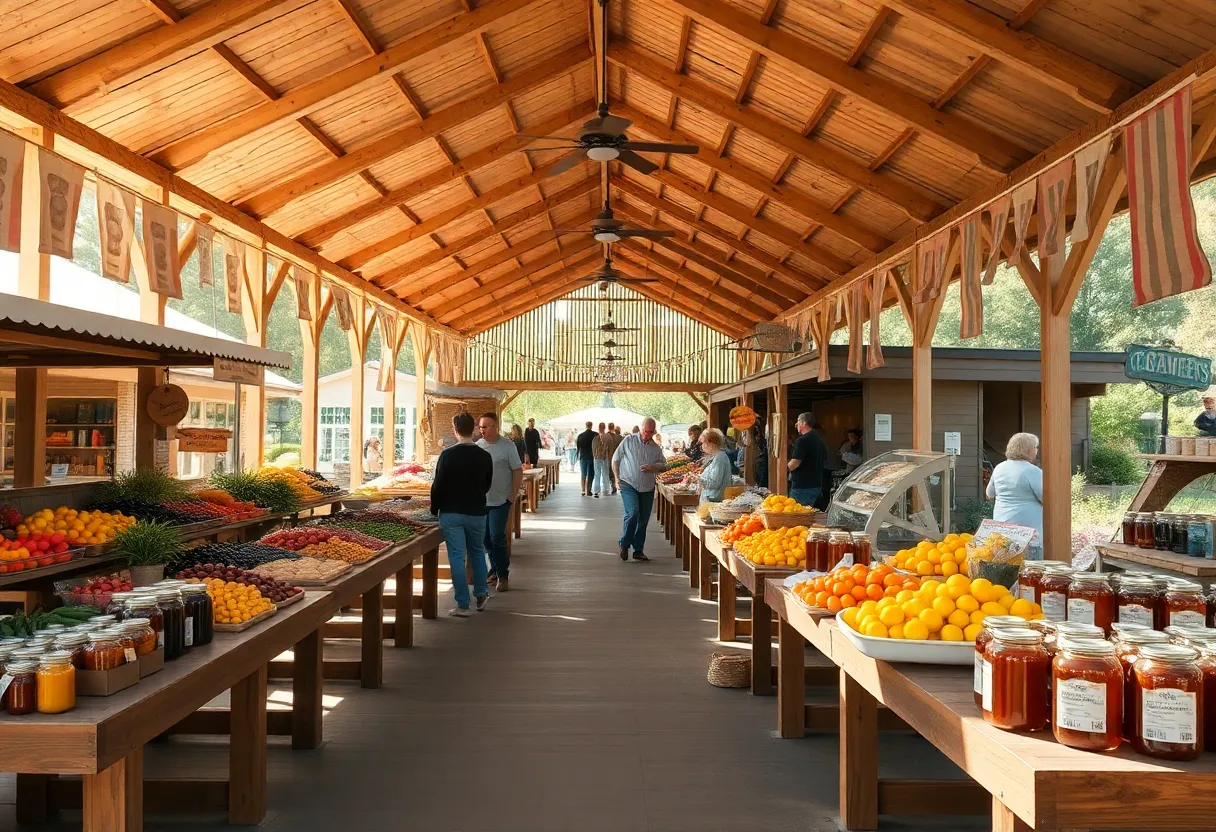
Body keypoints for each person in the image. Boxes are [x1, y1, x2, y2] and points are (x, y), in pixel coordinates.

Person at [429, 412, 493, 616]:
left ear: (455, 430)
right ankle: (481, 595)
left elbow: (437, 485)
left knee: (456, 557)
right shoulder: (485, 456)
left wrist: (434, 509)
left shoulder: (447, 455)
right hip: (476, 511)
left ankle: (462, 604)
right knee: (477, 553)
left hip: (451, 512)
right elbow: (487, 484)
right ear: (474, 429)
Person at [476, 412, 522, 592]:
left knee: (497, 536)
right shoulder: (478, 447)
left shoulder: (507, 446)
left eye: (486, 426)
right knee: (485, 539)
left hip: (501, 500)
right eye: (480, 427)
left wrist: (514, 492)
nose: (482, 430)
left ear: (496, 427)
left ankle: (503, 574)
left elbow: (517, 470)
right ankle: (494, 569)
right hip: (482, 501)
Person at [611, 417, 666, 562]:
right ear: (641, 428)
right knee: (633, 512)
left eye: (650, 432)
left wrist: (653, 468)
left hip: (647, 486)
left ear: (654, 431)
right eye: (645, 431)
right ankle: (624, 543)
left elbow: (664, 465)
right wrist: (616, 478)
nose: (647, 434)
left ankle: (638, 550)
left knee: (643, 519)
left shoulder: (655, 448)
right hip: (628, 483)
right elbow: (615, 459)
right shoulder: (629, 441)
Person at [986, 432, 1044, 559]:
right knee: (1030, 573)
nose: (1036, 451)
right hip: (1028, 534)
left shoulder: (999, 468)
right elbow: (1047, 498)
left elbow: (989, 493)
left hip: (1003, 532)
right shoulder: (1033, 471)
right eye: (1035, 447)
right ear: (1028, 450)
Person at [787, 412, 827, 506]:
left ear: (803, 423)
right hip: (816, 485)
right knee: (808, 515)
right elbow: (824, 457)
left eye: (797, 422)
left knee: (796, 516)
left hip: (802, 486)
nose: (796, 425)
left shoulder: (802, 440)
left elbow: (794, 464)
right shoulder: (819, 440)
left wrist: (784, 466)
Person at [697, 428, 732, 504]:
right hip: (710, 501)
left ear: (712, 443)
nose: (702, 446)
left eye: (703, 443)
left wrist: (697, 479)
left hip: (714, 502)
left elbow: (715, 483)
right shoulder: (715, 456)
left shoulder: (720, 457)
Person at [591, 422, 613, 497]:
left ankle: (598, 490)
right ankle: (604, 490)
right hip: (603, 458)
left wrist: (595, 456)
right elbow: (611, 449)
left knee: (599, 474)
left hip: (600, 458)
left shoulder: (596, 437)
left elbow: (593, 449)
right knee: (604, 474)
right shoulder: (607, 437)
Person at [576, 421, 597, 496]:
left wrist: (578, 455)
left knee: (583, 473)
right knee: (590, 474)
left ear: (586, 425)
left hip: (583, 456)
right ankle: (588, 490)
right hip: (592, 457)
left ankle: (583, 490)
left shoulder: (580, 435)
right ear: (591, 426)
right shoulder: (595, 435)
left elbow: (578, 447)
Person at [605, 423, 623, 494]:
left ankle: (613, 486)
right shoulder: (619, 437)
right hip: (619, 457)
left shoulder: (606, 436)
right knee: (619, 472)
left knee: (611, 473)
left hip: (609, 457)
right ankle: (619, 486)